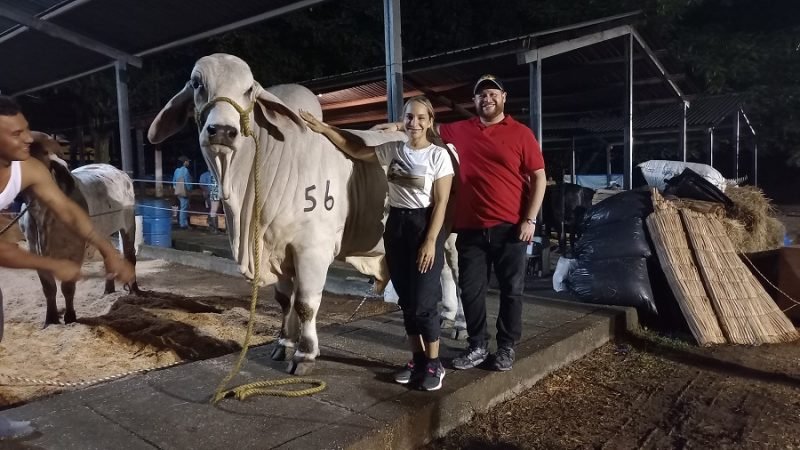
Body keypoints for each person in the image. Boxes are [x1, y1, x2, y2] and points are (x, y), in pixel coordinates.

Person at [375, 75, 547, 372]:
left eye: (492, 93)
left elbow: (539, 177)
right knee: (470, 290)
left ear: (503, 97)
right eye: (481, 95)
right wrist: (396, 126)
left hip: (510, 227)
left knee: (511, 290)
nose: (487, 99)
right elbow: (424, 125)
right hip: (470, 227)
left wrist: (530, 219)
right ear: (475, 100)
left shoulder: (521, 134)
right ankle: (477, 345)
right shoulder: (462, 129)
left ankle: (506, 347)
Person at [0, 95, 134, 438]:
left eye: (27, 129)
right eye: (16, 133)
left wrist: (108, 250)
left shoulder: (28, 168)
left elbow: (68, 211)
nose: (27, 138)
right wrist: (51, 263)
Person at [300, 96, 454, 391]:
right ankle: (417, 359)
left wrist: (430, 241)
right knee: (406, 301)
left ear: (430, 121)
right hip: (397, 226)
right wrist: (325, 129)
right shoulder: (394, 149)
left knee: (424, 302)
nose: (414, 123)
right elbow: (357, 150)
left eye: (421, 118)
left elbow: (442, 202)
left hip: (424, 225)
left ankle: (435, 364)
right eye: (409, 117)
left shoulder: (438, 156)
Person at [172, 155, 192, 229]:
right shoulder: (185, 170)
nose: (188, 163)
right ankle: (183, 224)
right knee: (184, 207)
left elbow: (173, 181)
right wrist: (190, 190)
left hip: (178, 190)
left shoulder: (176, 170)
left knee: (181, 207)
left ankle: (181, 222)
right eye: (187, 161)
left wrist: (175, 188)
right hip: (184, 191)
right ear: (184, 162)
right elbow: (188, 182)